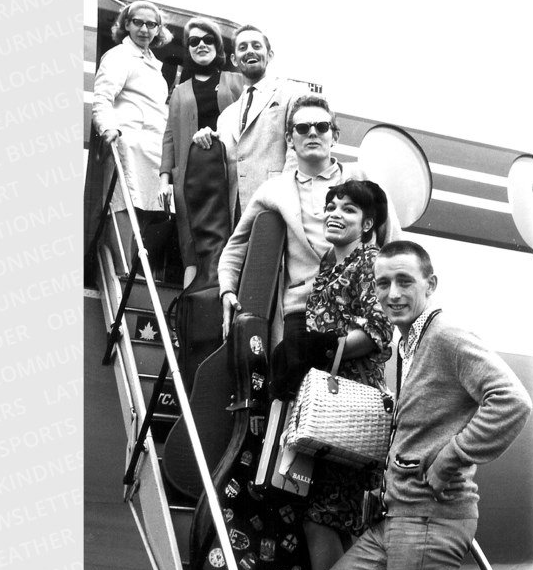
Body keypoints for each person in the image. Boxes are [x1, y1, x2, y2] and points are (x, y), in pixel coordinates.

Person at [322, 240, 533, 570]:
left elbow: (512, 400)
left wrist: (450, 459)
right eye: (383, 283)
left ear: (430, 285)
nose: (393, 294)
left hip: (429, 520)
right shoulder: (410, 344)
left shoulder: (445, 335)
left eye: (405, 281)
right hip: (395, 518)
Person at [217, 94, 400, 342]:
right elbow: (235, 246)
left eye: (322, 126)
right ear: (289, 140)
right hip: (300, 314)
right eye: (302, 128)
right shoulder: (274, 190)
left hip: (358, 311)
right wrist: (227, 290)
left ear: (334, 136)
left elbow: (395, 247)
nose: (312, 133)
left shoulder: (362, 179)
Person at [293, 180, 394, 570]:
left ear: (368, 222)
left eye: (349, 209)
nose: (335, 213)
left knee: (323, 517)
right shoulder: (328, 262)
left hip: (350, 401)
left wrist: (320, 350)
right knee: (331, 517)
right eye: (331, 206)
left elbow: (376, 329)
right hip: (326, 400)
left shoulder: (372, 261)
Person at [159, 17, 244, 287]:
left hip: (228, 174)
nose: (201, 45)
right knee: (192, 249)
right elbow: (170, 136)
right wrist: (165, 181)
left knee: (229, 242)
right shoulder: (180, 91)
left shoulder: (235, 81)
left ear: (218, 46)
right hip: (190, 178)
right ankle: (190, 313)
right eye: (194, 41)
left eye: (208, 40)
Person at [192, 24, 304, 222]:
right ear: (234, 59)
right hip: (235, 213)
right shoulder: (226, 116)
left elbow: (296, 151)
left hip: (275, 207)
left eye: (256, 46)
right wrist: (206, 140)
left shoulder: (290, 93)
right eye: (242, 47)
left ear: (269, 55)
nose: (250, 50)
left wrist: (284, 199)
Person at [91, 0, 173, 234]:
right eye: (138, 22)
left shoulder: (152, 62)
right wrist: (108, 127)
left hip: (152, 148)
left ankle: (133, 267)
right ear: (127, 24)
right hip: (127, 142)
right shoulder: (119, 56)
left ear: (158, 28)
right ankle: (120, 268)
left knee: (146, 206)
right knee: (123, 203)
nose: (144, 29)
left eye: (151, 24)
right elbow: (102, 97)